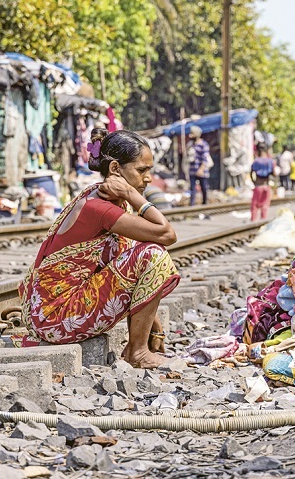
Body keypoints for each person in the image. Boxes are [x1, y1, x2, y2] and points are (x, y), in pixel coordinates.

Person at [18, 129, 180, 369]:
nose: (148, 178)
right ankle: (138, 352)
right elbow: (166, 234)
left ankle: (140, 346)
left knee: (143, 251)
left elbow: (124, 262)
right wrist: (132, 195)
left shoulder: (99, 197)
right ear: (115, 169)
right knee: (154, 255)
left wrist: (153, 326)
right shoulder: (100, 208)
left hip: (50, 314)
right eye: (142, 170)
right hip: (57, 318)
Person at [250, 144, 275, 221]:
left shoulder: (256, 161)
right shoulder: (270, 161)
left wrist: (253, 181)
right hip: (266, 185)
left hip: (258, 185)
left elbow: (251, 172)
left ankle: (253, 221)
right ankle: (263, 221)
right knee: (265, 206)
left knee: (254, 206)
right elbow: (274, 173)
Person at [188, 126, 210, 205]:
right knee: (192, 189)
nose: (190, 136)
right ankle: (192, 205)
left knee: (204, 188)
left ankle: (204, 204)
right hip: (192, 170)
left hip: (202, 171)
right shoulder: (190, 144)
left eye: (192, 134)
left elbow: (205, 159)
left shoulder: (204, 144)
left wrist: (201, 169)